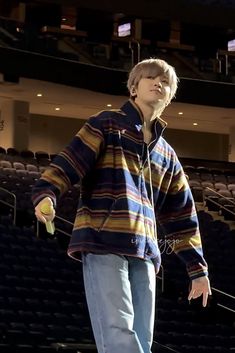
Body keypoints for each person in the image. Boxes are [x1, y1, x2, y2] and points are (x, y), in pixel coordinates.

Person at [32, 58, 211, 353]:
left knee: (142, 340)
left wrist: (197, 269)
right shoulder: (106, 124)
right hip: (103, 242)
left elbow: (182, 217)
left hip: (146, 250)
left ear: (170, 96)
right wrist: (47, 194)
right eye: (151, 78)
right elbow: (68, 163)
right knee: (119, 334)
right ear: (133, 87)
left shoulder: (167, 154)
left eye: (165, 82)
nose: (158, 84)